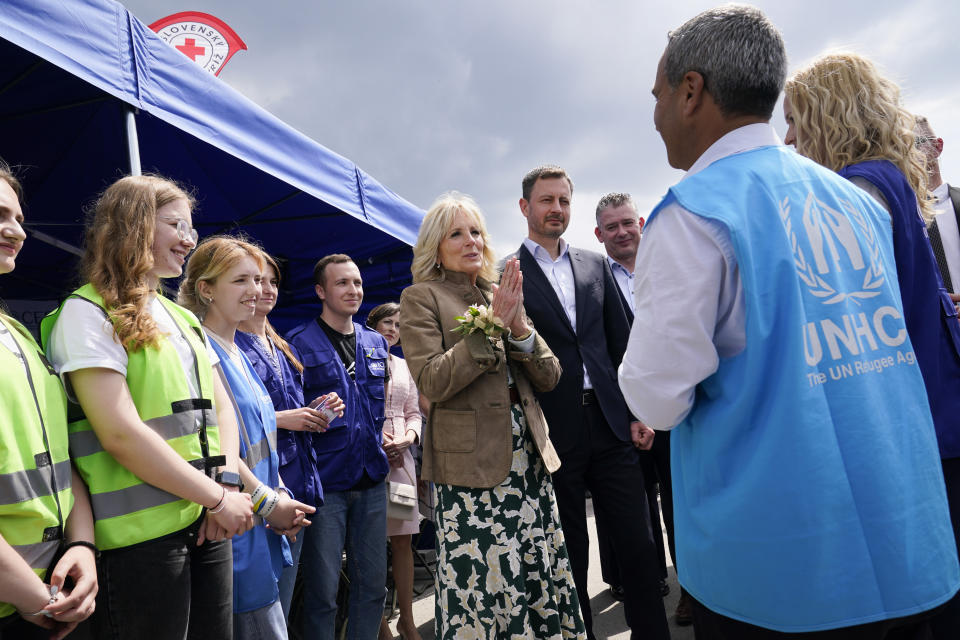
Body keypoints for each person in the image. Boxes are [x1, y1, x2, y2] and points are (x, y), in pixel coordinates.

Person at [618, 6, 959, 638]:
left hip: (778, 567)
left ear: (691, 92)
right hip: (906, 542)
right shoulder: (857, 202)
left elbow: (657, 398)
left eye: (659, 94)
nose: (656, 112)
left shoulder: (692, 212)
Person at [784, 52, 960, 638]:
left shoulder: (858, 190)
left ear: (825, 116)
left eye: (794, 119)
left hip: (925, 415)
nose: (786, 136)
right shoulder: (888, 175)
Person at [41, 174, 255, 640]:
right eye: (176, 225)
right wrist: (218, 497)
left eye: (191, 228)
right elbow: (119, 432)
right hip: (140, 543)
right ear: (135, 227)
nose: (189, 239)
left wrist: (227, 486)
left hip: (205, 521)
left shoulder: (181, 316)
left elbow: (222, 407)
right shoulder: (87, 313)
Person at [399, 192, 585, 640]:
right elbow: (432, 381)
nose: (472, 241)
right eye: (456, 233)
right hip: (469, 469)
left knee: (535, 565)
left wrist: (519, 329)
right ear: (434, 247)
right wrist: (493, 328)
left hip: (527, 458)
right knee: (482, 579)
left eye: (477, 232)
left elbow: (550, 374)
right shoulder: (420, 297)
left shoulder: (497, 293)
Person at [507, 167, 669, 640]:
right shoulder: (507, 273)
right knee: (569, 549)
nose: (556, 209)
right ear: (525, 208)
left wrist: (637, 412)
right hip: (553, 433)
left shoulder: (594, 264)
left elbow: (621, 346)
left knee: (637, 543)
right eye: (546, 201)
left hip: (612, 424)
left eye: (563, 200)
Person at [179, 236, 319, 639]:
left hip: (258, 522)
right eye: (241, 280)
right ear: (206, 288)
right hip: (236, 524)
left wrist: (277, 495)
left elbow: (259, 442)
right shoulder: (202, 348)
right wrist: (267, 500)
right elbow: (220, 449)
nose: (256, 291)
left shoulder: (236, 348)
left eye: (258, 280)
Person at [0, 162, 97, 640]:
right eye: (0, 215)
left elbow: (62, 457)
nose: (16, 231)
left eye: (18, 218)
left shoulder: (18, 334)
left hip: (52, 588)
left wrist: (82, 545)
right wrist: (29, 596)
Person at [286, 254, 390, 640]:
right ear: (320, 291)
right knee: (322, 592)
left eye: (358, 283)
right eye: (342, 283)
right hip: (325, 487)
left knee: (373, 586)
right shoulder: (297, 342)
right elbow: (288, 414)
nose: (353, 290)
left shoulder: (376, 342)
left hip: (372, 481)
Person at [236, 251, 342, 622]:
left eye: (271, 282)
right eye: (254, 280)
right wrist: (286, 419)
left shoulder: (281, 343)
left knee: (288, 595)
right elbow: (233, 418)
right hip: (263, 483)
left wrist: (316, 412)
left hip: (301, 480)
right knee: (266, 603)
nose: (264, 289)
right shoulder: (229, 343)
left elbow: (285, 408)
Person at [592, 192, 678, 615]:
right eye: (612, 226)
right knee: (630, 501)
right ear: (599, 234)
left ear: (641, 222)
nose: (622, 232)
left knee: (681, 498)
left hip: (678, 403)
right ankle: (636, 577)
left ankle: (693, 588)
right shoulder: (591, 277)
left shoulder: (669, 266)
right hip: (624, 411)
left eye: (628, 222)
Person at [366, 302, 423, 640]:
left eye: (399, 325)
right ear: (371, 324)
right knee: (369, 543)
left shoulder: (404, 366)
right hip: (367, 459)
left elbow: (414, 411)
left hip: (401, 464)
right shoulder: (356, 360)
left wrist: (407, 439)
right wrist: (381, 442)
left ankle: (408, 620)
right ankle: (379, 624)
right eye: (387, 322)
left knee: (402, 541)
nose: (392, 329)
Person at [914, 116, 960, 294]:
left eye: (916, 142)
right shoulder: (894, 218)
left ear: (937, 147)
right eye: (899, 146)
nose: (908, 153)